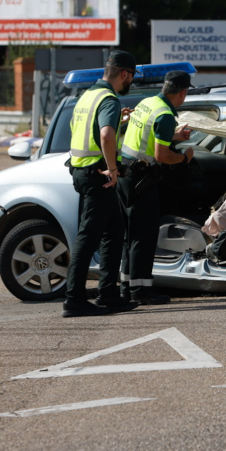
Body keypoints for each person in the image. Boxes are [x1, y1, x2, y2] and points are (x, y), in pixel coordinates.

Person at [63, 50, 140, 318]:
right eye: (131, 76)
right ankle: (74, 299)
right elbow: (106, 137)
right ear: (124, 74)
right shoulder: (109, 99)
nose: (131, 81)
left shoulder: (87, 96)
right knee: (88, 237)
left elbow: (87, 130)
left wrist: (119, 119)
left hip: (82, 172)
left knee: (113, 231)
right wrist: (114, 170)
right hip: (99, 176)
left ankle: (108, 294)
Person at [118, 70, 194, 305]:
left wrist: (175, 137)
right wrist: (184, 158)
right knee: (144, 234)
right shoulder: (166, 114)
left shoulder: (148, 102)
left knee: (130, 235)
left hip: (126, 173)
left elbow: (148, 135)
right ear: (182, 92)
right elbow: (162, 155)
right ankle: (142, 291)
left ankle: (126, 287)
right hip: (142, 177)